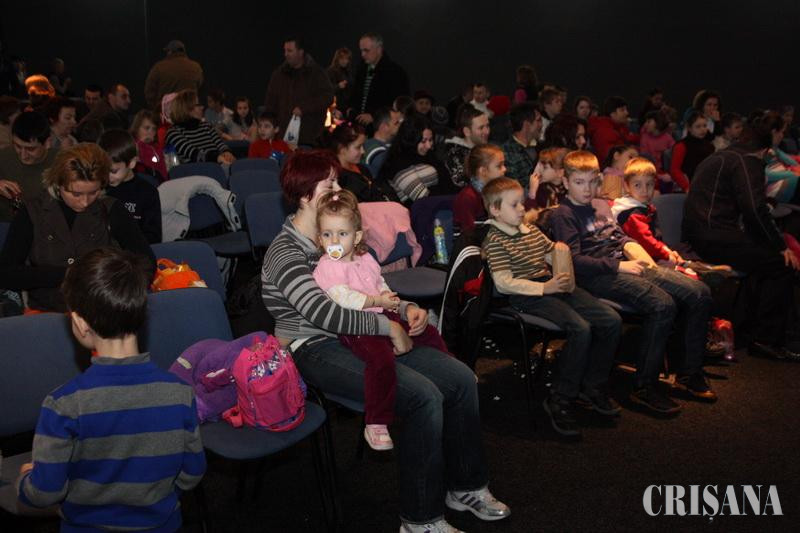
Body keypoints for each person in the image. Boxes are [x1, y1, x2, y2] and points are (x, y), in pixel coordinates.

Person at [261, 150, 510, 531]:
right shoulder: (286, 251)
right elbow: (323, 314)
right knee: (422, 396)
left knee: (459, 378)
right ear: (304, 194)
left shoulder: (340, 228)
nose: (338, 189)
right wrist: (387, 327)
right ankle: (420, 520)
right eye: (329, 183)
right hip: (315, 345)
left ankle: (465, 487)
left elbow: (370, 284)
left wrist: (405, 308)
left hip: (367, 330)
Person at [16, 247, 206, 530]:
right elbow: (192, 474)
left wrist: (24, 480)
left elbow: (45, 493)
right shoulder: (179, 393)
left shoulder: (64, 405)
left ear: (80, 323)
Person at [550, 150, 716, 414]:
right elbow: (574, 261)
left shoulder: (600, 204)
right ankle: (644, 385)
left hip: (627, 263)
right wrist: (619, 265)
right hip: (598, 276)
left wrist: (634, 250)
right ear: (566, 182)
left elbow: (619, 237)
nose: (587, 189)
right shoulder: (564, 214)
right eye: (579, 182)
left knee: (700, 292)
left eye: (592, 182)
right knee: (663, 304)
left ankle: (689, 372)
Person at [482, 177, 622, 436]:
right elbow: (503, 283)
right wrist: (545, 288)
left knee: (611, 320)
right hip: (528, 295)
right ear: (495, 210)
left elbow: (548, 252)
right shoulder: (496, 240)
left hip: (551, 285)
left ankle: (592, 386)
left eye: (521, 203)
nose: (522, 209)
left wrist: (558, 251)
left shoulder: (529, 230)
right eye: (514, 205)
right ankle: (561, 397)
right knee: (581, 329)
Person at [312, 189, 449, 450]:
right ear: (319, 238)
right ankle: (376, 423)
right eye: (327, 235)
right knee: (380, 361)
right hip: (356, 326)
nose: (334, 241)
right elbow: (343, 298)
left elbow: (379, 281)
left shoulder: (365, 257)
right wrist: (378, 301)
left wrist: (385, 295)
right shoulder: (327, 266)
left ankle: (448, 369)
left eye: (342, 234)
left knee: (427, 331)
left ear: (357, 236)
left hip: (382, 313)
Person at [684, 112, 800, 361]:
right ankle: (765, 339)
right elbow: (754, 210)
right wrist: (780, 246)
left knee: (762, 259)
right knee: (781, 264)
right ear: (765, 149)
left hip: (703, 234)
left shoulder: (727, 155)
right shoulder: (748, 161)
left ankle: (747, 329)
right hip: (714, 237)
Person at [0, 143, 155, 312]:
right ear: (58, 184)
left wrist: (113, 281)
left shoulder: (111, 209)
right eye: (76, 194)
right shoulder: (32, 211)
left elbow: (147, 263)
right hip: (47, 310)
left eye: (93, 192)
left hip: (103, 309)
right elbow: (7, 273)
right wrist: (67, 274)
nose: (84, 202)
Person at [611, 157, 685, 263]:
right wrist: (667, 255)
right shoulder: (631, 214)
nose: (645, 190)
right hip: (635, 260)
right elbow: (647, 242)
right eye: (637, 185)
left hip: (652, 254)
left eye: (649, 184)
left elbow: (654, 240)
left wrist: (667, 250)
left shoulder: (643, 206)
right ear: (627, 186)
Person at [264, 38, 334, 147]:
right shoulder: (278, 75)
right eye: (285, 50)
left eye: (290, 51)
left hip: (309, 138)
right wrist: (268, 125)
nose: (286, 54)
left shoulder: (317, 74)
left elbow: (328, 97)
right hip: (282, 138)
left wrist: (304, 108)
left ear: (300, 52)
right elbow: (270, 103)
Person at [98, 129, 162, 243]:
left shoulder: (147, 192)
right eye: (103, 170)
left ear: (132, 163)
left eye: (113, 171)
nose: (107, 176)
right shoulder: (98, 189)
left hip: (134, 251)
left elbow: (153, 236)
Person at [378, 114, 452, 203]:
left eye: (430, 140)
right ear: (410, 140)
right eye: (423, 141)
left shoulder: (428, 155)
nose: (428, 146)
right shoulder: (397, 165)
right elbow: (425, 201)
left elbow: (448, 183)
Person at [0, 111, 56, 221]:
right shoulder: (3, 157)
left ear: (47, 143)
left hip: (44, 226)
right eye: (17, 146)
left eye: (31, 149)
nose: (23, 155)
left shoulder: (62, 162)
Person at [349, 32, 410, 126]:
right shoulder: (361, 70)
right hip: (360, 126)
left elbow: (401, 104)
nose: (363, 54)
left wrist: (374, 116)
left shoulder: (395, 72)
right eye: (361, 50)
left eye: (366, 50)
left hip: (384, 127)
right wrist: (350, 109)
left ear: (379, 49)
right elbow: (356, 95)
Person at [329, 121, 399, 202]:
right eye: (358, 147)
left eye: (363, 146)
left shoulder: (361, 168)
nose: (363, 151)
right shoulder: (340, 180)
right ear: (342, 149)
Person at [165, 89, 235, 164]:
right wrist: (217, 158)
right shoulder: (174, 133)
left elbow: (220, 144)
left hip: (219, 165)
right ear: (187, 109)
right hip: (195, 170)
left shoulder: (206, 126)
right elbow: (194, 153)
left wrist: (226, 152)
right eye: (198, 105)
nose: (202, 107)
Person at [453, 144, 505, 232]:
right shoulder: (467, 197)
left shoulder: (501, 191)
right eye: (499, 166)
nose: (504, 169)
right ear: (483, 171)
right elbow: (468, 233)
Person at [144, 40, 204, 110]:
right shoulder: (196, 67)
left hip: (168, 110)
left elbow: (149, 91)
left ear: (170, 52)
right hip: (189, 109)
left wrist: (156, 108)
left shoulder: (159, 67)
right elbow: (200, 86)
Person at [444, 106, 490, 188]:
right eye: (481, 128)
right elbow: (462, 184)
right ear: (467, 131)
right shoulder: (455, 154)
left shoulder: (486, 149)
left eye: (487, 126)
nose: (487, 131)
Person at [670, 111, 714, 191]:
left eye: (704, 126)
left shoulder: (710, 146)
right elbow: (675, 170)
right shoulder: (681, 146)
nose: (702, 129)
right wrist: (687, 187)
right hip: (687, 186)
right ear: (689, 128)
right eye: (698, 126)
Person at [502, 102, 541, 190]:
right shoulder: (507, 152)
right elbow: (512, 187)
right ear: (527, 125)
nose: (541, 125)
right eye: (538, 120)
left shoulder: (541, 147)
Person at [588, 96, 640, 162]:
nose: (627, 113)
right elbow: (610, 157)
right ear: (612, 114)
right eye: (622, 110)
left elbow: (627, 139)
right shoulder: (604, 131)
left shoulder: (619, 127)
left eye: (626, 109)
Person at [362, 106, 402, 177]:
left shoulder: (385, 144)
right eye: (396, 123)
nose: (400, 125)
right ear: (384, 127)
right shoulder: (378, 153)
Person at [130, 109, 167, 180]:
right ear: (137, 128)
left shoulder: (156, 147)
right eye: (146, 128)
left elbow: (163, 168)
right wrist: (141, 144)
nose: (150, 132)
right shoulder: (132, 146)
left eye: (154, 129)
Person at [638, 110, 675, 181]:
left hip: (666, 171)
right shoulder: (645, 138)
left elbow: (674, 154)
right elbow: (645, 160)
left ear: (658, 122)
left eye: (649, 122)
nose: (645, 124)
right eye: (645, 122)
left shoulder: (668, 138)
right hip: (651, 171)